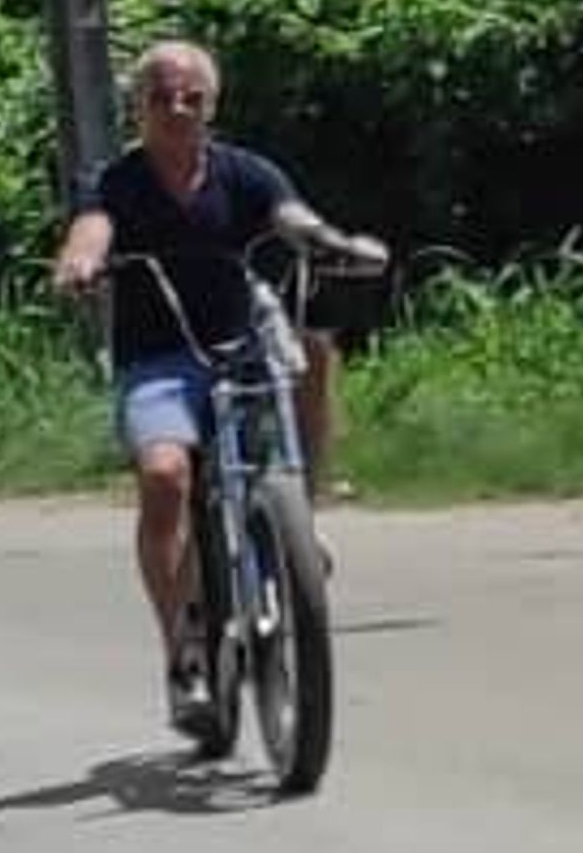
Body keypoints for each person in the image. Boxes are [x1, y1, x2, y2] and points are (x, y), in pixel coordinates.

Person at [47, 39, 385, 739]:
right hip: (160, 360)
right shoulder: (116, 182)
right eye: (161, 97)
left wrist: (333, 244)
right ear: (138, 107)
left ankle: (299, 518)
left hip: (242, 345)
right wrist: (80, 265)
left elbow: (290, 219)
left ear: (212, 106)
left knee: (313, 353)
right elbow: (91, 231)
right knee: (166, 475)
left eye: (191, 98)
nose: (177, 109)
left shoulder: (246, 172)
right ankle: (186, 648)